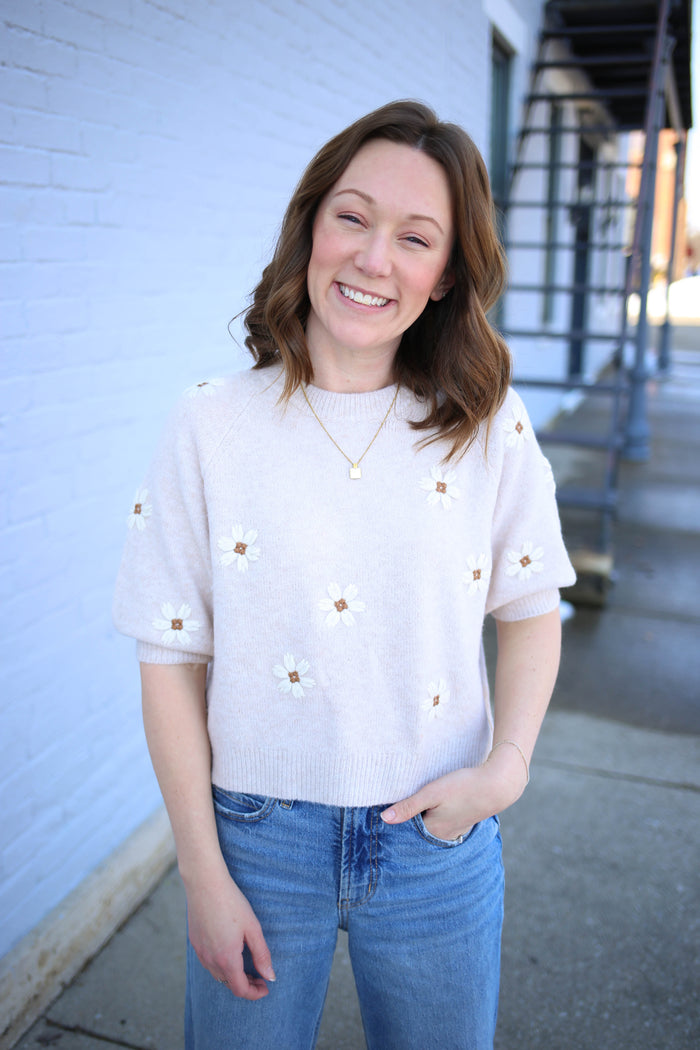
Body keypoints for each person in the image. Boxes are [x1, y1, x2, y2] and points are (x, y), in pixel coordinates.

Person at [113, 99, 576, 1050]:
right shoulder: (211, 424)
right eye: (353, 218)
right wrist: (202, 875)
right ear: (312, 225)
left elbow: (532, 608)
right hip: (255, 842)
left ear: (447, 276)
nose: (374, 260)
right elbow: (168, 657)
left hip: (437, 837)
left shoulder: (486, 426)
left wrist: (505, 774)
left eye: (416, 238)